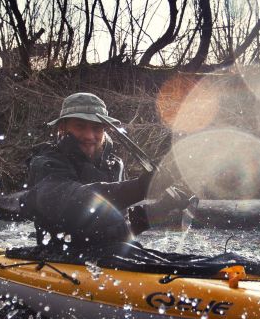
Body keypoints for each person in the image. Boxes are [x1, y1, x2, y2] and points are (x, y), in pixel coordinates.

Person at [22, 92, 189, 251]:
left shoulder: (114, 165)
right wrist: (141, 187)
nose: (89, 136)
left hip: (110, 258)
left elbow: (118, 229)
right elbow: (74, 202)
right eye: (80, 126)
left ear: (105, 130)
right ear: (62, 128)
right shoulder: (46, 163)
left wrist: (159, 209)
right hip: (59, 258)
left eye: (97, 128)